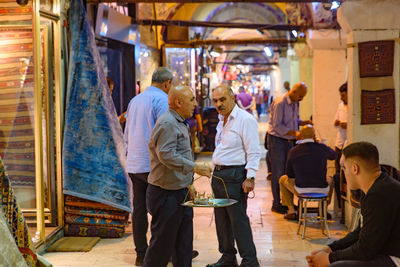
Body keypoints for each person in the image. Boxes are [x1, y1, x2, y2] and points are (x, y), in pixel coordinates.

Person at [143, 86, 213, 267]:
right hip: (165, 194)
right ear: (178, 102)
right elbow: (166, 154)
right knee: (161, 247)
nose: (195, 104)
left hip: (179, 191)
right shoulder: (168, 123)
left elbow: (181, 154)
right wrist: (194, 167)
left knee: (183, 246)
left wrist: (189, 182)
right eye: (191, 100)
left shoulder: (180, 121)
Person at [306, 141, 400, 267]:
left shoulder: (379, 194)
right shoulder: (374, 187)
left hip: (395, 258)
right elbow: (360, 233)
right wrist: (330, 249)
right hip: (384, 252)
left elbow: (365, 250)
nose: (343, 173)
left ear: (355, 168)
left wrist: (329, 259)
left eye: (344, 168)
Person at [124, 67, 175, 266]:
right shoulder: (162, 99)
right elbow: (165, 132)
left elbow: (127, 132)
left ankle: (141, 253)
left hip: (135, 163)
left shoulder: (135, 100)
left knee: (139, 210)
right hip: (152, 164)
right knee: (163, 209)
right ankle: (163, 253)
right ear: (167, 83)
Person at [207, 85, 261, 267]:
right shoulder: (222, 120)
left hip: (235, 176)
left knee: (238, 221)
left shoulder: (245, 120)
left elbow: (254, 151)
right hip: (219, 175)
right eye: (215, 101)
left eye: (222, 99)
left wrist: (250, 177)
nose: (218, 104)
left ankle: (250, 261)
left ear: (232, 97)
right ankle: (228, 257)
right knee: (221, 221)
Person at [267, 82, 311, 214]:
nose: (302, 99)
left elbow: (292, 121)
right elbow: (277, 125)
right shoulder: (280, 103)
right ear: (294, 92)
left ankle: (288, 203)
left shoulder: (296, 103)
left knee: (289, 173)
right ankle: (276, 203)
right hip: (277, 141)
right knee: (278, 172)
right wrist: (294, 133)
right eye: (301, 96)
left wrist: (303, 123)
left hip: (289, 141)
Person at [279, 125, 336, 220]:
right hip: (322, 188)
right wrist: (321, 144)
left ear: (300, 136)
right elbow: (333, 155)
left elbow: (289, 174)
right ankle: (323, 210)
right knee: (331, 179)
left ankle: (291, 211)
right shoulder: (322, 148)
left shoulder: (293, 151)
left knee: (282, 179)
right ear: (314, 136)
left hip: (301, 189)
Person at [333, 82, 348, 210]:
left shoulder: (353, 107)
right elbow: (335, 121)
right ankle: (340, 207)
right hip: (339, 144)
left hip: (349, 146)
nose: (341, 98)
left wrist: (347, 125)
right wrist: (339, 123)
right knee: (337, 176)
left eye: (343, 95)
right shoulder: (340, 106)